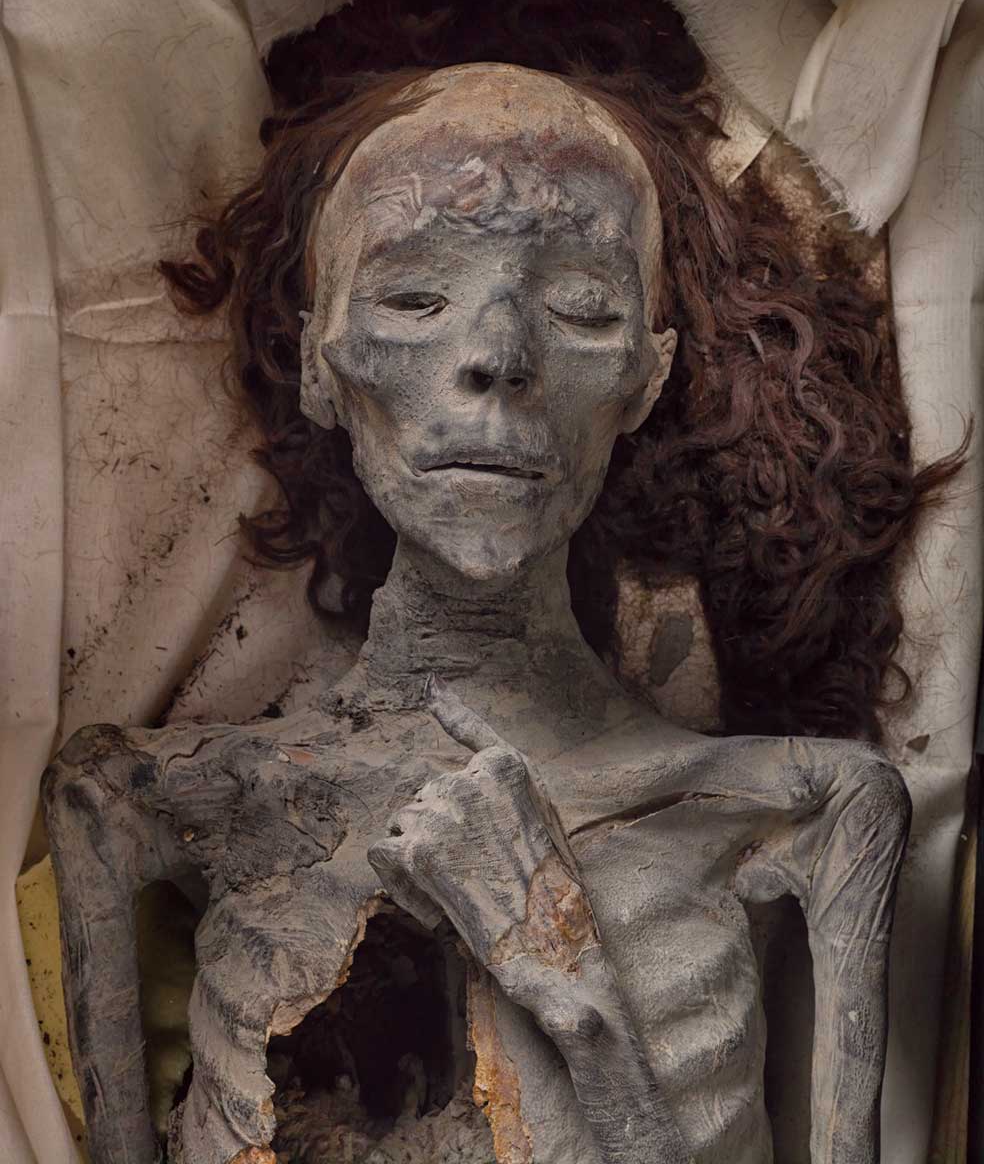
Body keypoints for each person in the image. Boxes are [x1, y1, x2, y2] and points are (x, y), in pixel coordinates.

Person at [44, 63, 914, 1164]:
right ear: (322, 363)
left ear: (646, 378)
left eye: (581, 311)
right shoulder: (133, 801)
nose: (499, 356)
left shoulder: (813, 809)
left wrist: (567, 984)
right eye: (415, 299)